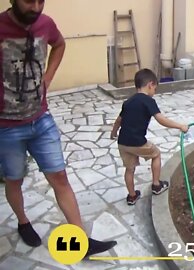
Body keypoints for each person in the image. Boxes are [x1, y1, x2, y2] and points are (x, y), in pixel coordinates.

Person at [0, 0, 117, 256]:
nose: (36, 7)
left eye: (41, 1)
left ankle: (82, 241)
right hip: (6, 127)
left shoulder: (46, 24)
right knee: (14, 179)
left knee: (59, 177)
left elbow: (60, 44)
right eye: (29, 1)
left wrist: (49, 76)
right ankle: (23, 222)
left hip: (41, 119)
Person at [110, 69, 189, 205]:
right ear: (150, 85)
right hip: (138, 142)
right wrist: (180, 126)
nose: (154, 92)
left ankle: (132, 196)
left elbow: (119, 120)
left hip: (123, 143)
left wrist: (113, 132)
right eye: (155, 89)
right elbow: (161, 120)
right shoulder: (148, 101)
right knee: (156, 154)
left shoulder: (128, 102)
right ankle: (156, 185)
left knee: (129, 169)